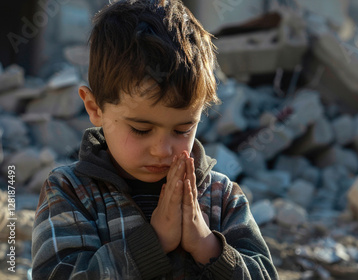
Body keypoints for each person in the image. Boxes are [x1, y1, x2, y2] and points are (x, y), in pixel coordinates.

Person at [31, 0, 278, 279]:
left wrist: (207, 246)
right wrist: (153, 244)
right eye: (141, 129)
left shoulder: (221, 197)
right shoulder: (71, 192)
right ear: (95, 108)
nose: (163, 150)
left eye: (182, 130)